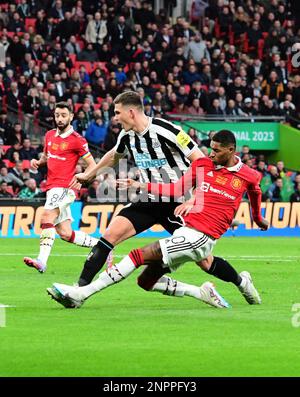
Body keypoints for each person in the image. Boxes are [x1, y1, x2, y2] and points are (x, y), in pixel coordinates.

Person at [47, 130, 268, 309]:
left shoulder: (248, 175)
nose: (211, 154)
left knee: (137, 255)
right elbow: (176, 189)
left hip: (203, 236)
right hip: (186, 231)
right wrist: (140, 185)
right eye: (211, 148)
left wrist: (258, 219)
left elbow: (256, 195)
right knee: (145, 281)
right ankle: (210, 290)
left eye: (217, 151)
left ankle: (81, 293)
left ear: (231, 150)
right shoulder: (202, 165)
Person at [65, 90, 205, 288]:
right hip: (148, 199)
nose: (114, 118)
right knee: (108, 237)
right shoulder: (126, 135)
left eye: (117, 113)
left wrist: (195, 197)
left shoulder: (168, 130)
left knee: (204, 260)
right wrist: (89, 175)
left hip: (178, 202)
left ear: (131, 112)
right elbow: (114, 155)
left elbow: (201, 161)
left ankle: (241, 282)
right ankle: (78, 290)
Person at [23, 102, 99, 273]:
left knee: (46, 217)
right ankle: (102, 247)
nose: (60, 118)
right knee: (65, 233)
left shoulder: (77, 140)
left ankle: (42, 261)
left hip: (65, 187)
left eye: (64, 115)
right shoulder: (49, 135)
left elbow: (93, 165)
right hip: (52, 187)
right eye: (57, 115)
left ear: (71, 116)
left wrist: (84, 179)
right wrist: (38, 162)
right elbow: (46, 157)